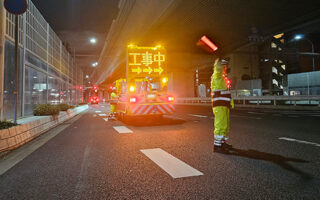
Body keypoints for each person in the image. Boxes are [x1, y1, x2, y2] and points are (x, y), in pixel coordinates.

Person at [211, 58, 234, 152]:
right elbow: (217, 69)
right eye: (224, 66)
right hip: (219, 104)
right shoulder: (217, 76)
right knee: (220, 125)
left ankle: (222, 143)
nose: (225, 68)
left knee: (225, 125)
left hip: (224, 104)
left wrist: (230, 103)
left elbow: (226, 92)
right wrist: (219, 63)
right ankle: (217, 146)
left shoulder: (223, 78)